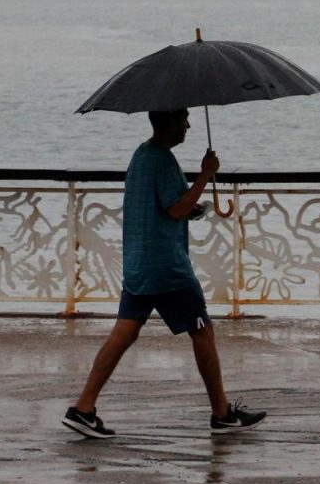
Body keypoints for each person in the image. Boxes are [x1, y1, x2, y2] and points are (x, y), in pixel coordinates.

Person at [63, 108, 266, 438]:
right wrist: (205, 175)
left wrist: (191, 206)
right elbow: (175, 209)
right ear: (167, 122)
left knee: (124, 333)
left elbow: (166, 206)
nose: (188, 124)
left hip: (138, 263)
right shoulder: (163, 160)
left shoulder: (142, 156)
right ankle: (221, 413)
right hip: (167, 268)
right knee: (202, 331)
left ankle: (83, 408)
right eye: (184, 118)